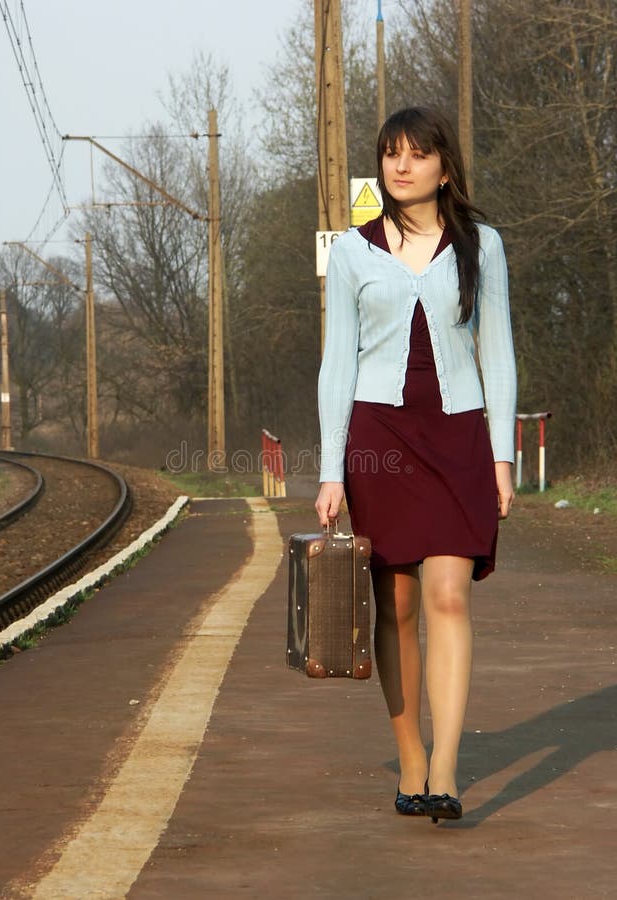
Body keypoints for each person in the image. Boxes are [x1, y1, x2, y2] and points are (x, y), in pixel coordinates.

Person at [315, 106, 517, 824]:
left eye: (416, 154)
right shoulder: (350, 252)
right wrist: (331, 470)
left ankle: (444, 770)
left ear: (443, 165)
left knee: (449, 598)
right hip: (379, 442)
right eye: (389, 154)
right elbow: (336, 365)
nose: (400, 167)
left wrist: (501, 456)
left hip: (458, 438)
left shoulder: (480, 245)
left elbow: (497, 352)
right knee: (395, 606)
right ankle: (408, 761)